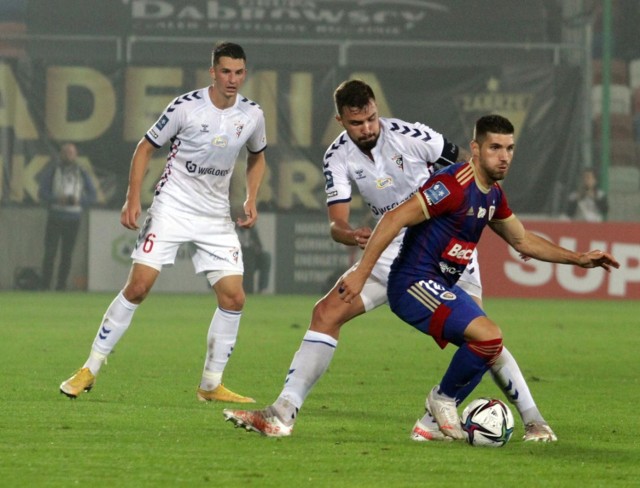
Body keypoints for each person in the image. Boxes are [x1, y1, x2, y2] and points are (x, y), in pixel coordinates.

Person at [223, 81, 557, 442]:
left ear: (376, 109)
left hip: (444, 248)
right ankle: (282, 414)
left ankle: (530, 420)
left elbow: (470, 166)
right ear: (341, 120)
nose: (366, 128)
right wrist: (351, 234)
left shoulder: (412, 137)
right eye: (356, 123)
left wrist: (480, 219)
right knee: (326, 313)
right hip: (388, 250)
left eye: (370, 118)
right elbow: (336, 224)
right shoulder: (337, 157)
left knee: (480, 339)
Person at [337, 114, 619, 439]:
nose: (504, 156)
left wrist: (580, 259)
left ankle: (429, 427)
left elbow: (522, 240)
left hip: (441, 284)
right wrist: (361, 273)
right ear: (475, 148)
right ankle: (442, 399)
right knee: (488, 336)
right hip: (412, 282)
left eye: (510, 148)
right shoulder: (452, 185)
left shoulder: (493, 194)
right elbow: (392, 219)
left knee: (487, 347)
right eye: (495, 147)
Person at [59, 42, 267, 403]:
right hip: (172, 206)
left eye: (238, 72)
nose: (232, 79)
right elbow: (145, 147)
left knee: (233, 298)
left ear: (244, 73)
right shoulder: (186, 107)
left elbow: (257, 156)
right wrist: (132, 197)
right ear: (213, 72)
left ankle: (211, 384)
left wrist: (250, 197)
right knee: (138, 287)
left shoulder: (252, 115)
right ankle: (89, 369)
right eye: (225, 71)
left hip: (215, 216)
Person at [39, 142, 97, 291]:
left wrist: (79, 201)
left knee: (67, 254)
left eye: (71, 153)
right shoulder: (53, 170)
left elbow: (93, 195)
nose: (68, 155)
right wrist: (57, 199)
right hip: (55, 216)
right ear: (61, 154)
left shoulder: (82, 172)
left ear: (76, 155)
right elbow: (42, 192)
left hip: (73, 218)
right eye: (65, 152)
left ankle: (61, 285)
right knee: (50, 252)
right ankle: (45, 285)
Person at [237, 225, 271, 294]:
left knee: (266, 257)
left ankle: (262, 289)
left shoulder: (252, 230)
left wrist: (254, 248)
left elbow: (259, 246)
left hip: (251, 258)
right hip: (235, 260)